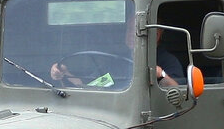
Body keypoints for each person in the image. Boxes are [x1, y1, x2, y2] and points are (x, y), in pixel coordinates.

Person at [50, 24, 184, 88]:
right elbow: (92, 86)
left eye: (137, 29)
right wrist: (65, 74)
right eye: (129, 29)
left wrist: (160, 75)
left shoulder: (168, 61)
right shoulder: (117, 62)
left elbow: (177, 90)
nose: (131, 34)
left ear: (157, 35)